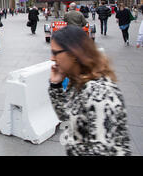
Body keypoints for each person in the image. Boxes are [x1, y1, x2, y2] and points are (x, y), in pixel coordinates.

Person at [48, 25, 131, 156]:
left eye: (55, 52)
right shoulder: (78, 81)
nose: (52, 58)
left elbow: (103, 150)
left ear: (73, 53)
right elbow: (66, 116)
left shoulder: (100, 93)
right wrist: (55, 85)